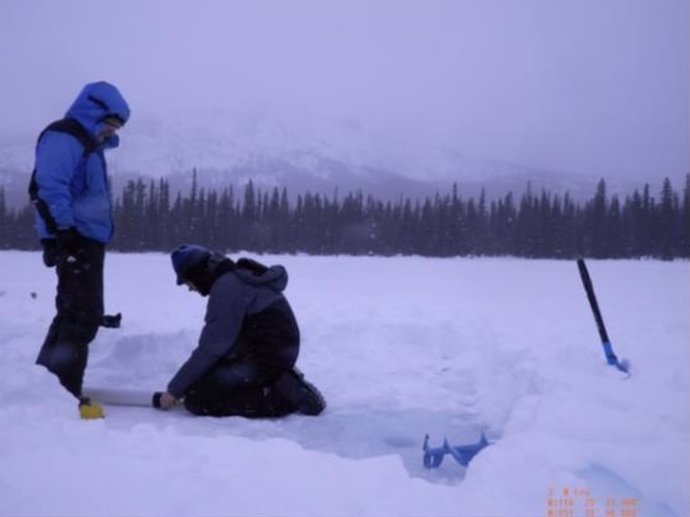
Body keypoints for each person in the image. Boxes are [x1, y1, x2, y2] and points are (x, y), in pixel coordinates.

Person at [32, 81, 130, 419]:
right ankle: (65, 397)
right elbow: (51, 186)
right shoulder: (65, 136)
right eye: (109, 123)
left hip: (86, 240)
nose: (111, 131)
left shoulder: (88, 142)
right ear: (94, 111)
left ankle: (44, 389)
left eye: (116, 127)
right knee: (82, 317)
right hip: (75, 239)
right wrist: (64, 232)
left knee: (72, 313)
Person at [157, 244, 326, 418]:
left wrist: (174, 391)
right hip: (273, 350)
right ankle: (277, 379)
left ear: (196, 274)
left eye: (187, 282)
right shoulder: (234, 278)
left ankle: (284, 398)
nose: (190, 289)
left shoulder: (226, 289)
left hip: (268, 355)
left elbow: (210, 349)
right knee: (202, 382)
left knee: (198, 399)